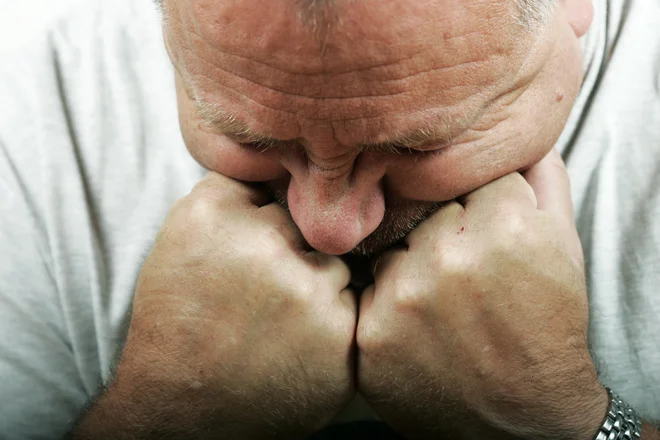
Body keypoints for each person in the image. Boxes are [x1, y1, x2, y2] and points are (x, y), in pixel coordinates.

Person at [0, 0, 658, 438]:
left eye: (414, 146)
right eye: (250, 136)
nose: (329, 228)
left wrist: (568, 421)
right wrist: (161, 412)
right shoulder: (27, 94)